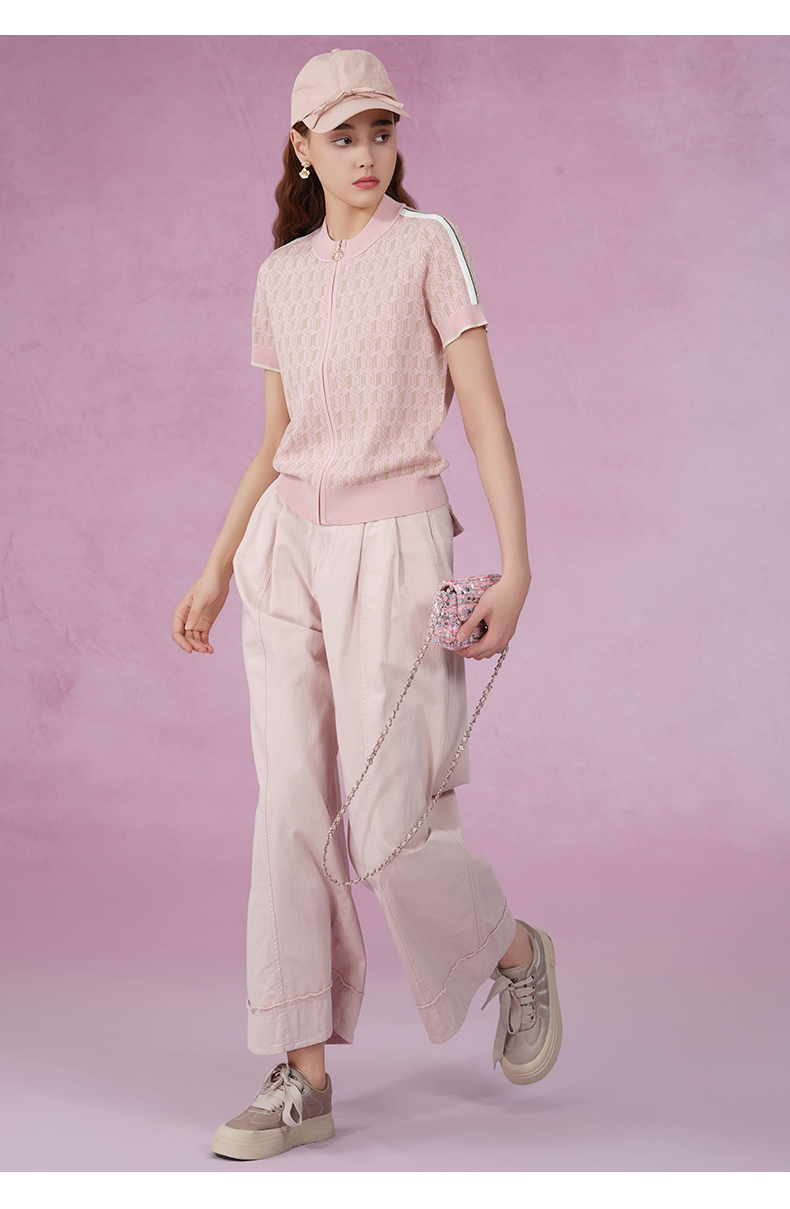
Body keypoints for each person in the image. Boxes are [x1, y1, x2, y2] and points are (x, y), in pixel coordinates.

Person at [172, 48, 562, 1163]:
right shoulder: (281, 275)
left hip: (396, 547)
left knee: (391, 827)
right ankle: (303, 1077)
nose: (366, 154)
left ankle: (513, 950)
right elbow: (274, 442)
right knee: (290, 810)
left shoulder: (428, 245)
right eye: (342, 135)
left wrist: (518, 567)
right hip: (284, 549)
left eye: (380, 131)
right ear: (300, 147)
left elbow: (483, 414)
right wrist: (217, 562)